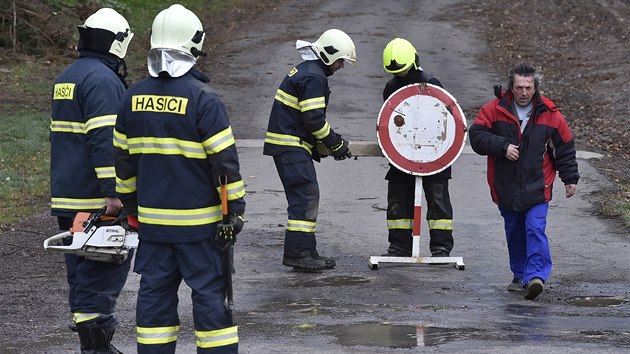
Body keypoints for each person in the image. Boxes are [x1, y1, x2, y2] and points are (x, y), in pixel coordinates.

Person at [114, 4, 245, 353]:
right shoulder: (204, 99)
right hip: (201, 229)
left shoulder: (131, 98)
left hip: (153, 228)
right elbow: (225, 165)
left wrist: (131, 209)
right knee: (210, 300)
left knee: (154, 302)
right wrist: (235, 212)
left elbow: (123, 165)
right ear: (193, 46)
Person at [49, 7, 133, 353]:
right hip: (95, 197)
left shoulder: (67, 77)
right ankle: (96, 346)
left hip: (69, 194)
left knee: (82, 271)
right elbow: (104, 142)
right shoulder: (101, 80)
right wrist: (114, 193)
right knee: (103, 268)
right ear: (117, 43)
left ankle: (93, 342)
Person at [469, 62, 579, 300]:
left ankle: (536, 277)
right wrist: (502, 147)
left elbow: (565, 147)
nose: (523, 92)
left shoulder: (550, 114)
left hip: (538, 186)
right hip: (505, 187)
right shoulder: (493, 110)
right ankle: (520, 275)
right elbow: (476, 137)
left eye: (528, 87)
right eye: (519, 87)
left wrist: (570, 179)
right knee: (515, 231)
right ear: (511, 87)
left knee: (535, 228)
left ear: (535, 87)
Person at [263, 29, 356, 271]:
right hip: (290, 146)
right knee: (305, 196)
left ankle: (306, 250)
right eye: (340, 61)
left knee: (305, 196)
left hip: (289, 145)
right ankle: (298, 253)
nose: (341, 66)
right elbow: (313, 120)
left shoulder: (308, 71)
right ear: (329, 55)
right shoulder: (314, 77)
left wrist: (333, 143)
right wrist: (335, 144)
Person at [380, 38, 455, 259]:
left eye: (403, 72)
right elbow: (391, 122)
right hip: (402, 154)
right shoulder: (391, 88)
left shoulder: (432, 84)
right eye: (397, 73)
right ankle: (399, 246)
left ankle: (441, 248)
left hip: (434, 153)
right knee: (398, 199)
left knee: (438, 202)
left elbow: (446, 121)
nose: (401, 76)